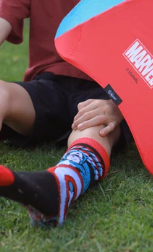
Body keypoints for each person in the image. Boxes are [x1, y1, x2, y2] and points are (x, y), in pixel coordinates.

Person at [0, 0, 132, 227]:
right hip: (48, 87)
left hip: (108, 93)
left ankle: (59, 186)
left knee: (96, 126)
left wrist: (121, 105)